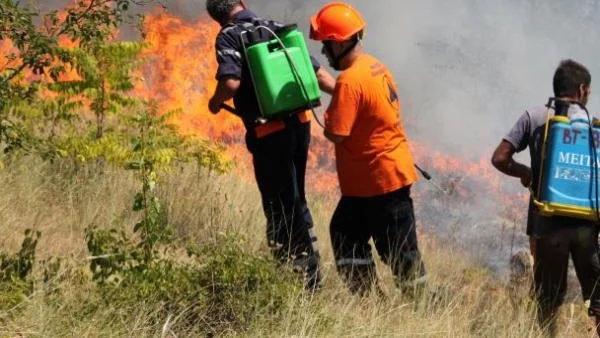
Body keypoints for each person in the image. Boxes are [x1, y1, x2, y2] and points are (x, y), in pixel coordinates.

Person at [206, 0, 336, 290]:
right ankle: (308, 253)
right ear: (242, 3)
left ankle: (303, 280)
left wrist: (215, 103)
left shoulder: (229, 35)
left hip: (268, 134)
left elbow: (230, 83)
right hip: (300, 126)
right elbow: (317, 74)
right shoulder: (274, 27)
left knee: (280, 205)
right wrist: (347, 94)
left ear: (216, 17)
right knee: (295, 195)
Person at [309, 2, 426, 295]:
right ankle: (369, 301)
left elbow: (336, 133)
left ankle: (423, 309)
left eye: (328, 44)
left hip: (379, 182)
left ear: (343, 42)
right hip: (374, 181)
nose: (325, 51)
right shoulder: (374, 66)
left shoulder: (350, 80)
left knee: (401, 254)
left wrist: (318, 107)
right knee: (345, 233)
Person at [491, 59, 600, 336]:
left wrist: (527, 173)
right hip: (587, 226)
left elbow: (500, 158)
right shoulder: (593, 125)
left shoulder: (535, 115)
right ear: (582, 89)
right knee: (598, 298)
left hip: (547, 224)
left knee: (547, 299)